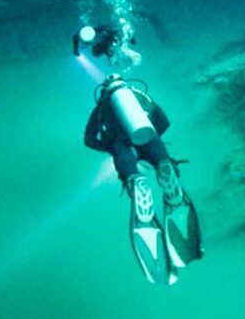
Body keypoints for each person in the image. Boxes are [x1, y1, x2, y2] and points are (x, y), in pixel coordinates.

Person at [84, 74, 202, 285]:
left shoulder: (101, 108)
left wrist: (109, 146)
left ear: (104, 92)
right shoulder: (137, 96)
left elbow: (89, 140)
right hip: (147, 135)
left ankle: (135, 181)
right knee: (158, 155)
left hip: (120, 145)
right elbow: (164, 121)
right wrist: (150, 135)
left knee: (127, 164)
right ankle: (165, 168)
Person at [73, 24, 142, 66]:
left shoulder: (101, 29)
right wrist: (75, 49)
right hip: (100, 44)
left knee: (111, 51)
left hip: (108, 40)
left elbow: (116, 30)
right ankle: (113, 59)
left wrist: (131, 39)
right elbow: (75, 37)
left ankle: (120, 58)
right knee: (96, 54)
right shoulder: (82, 35)